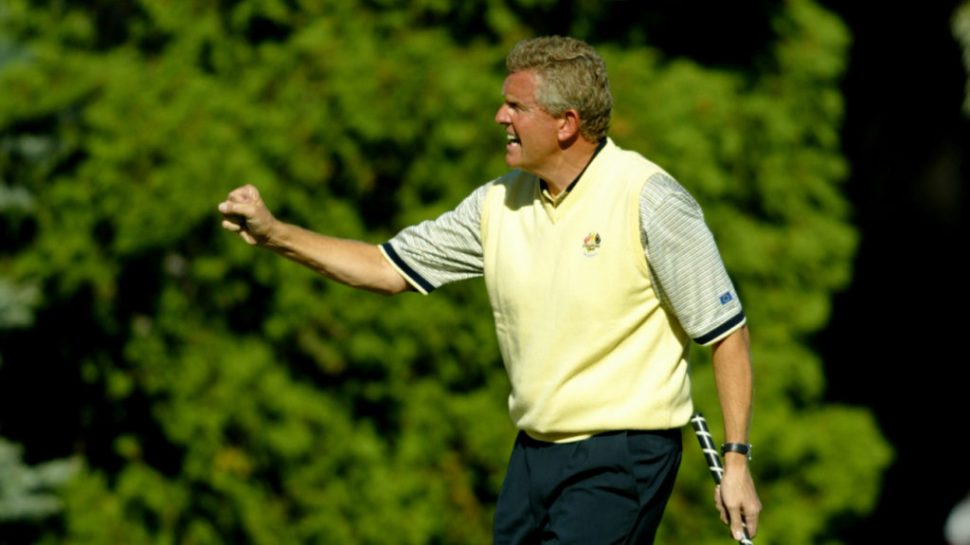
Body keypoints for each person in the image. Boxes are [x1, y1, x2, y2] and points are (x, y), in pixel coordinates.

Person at [219, 35, 760, 545]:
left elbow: (726, 335)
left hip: (622, 454)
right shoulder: (496, 203)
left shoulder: (651, 199)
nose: (501, 117)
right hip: (532, 454)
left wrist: (735, 462)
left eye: (516, 107)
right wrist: (275, 235)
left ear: (567, 123)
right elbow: (386, 268)